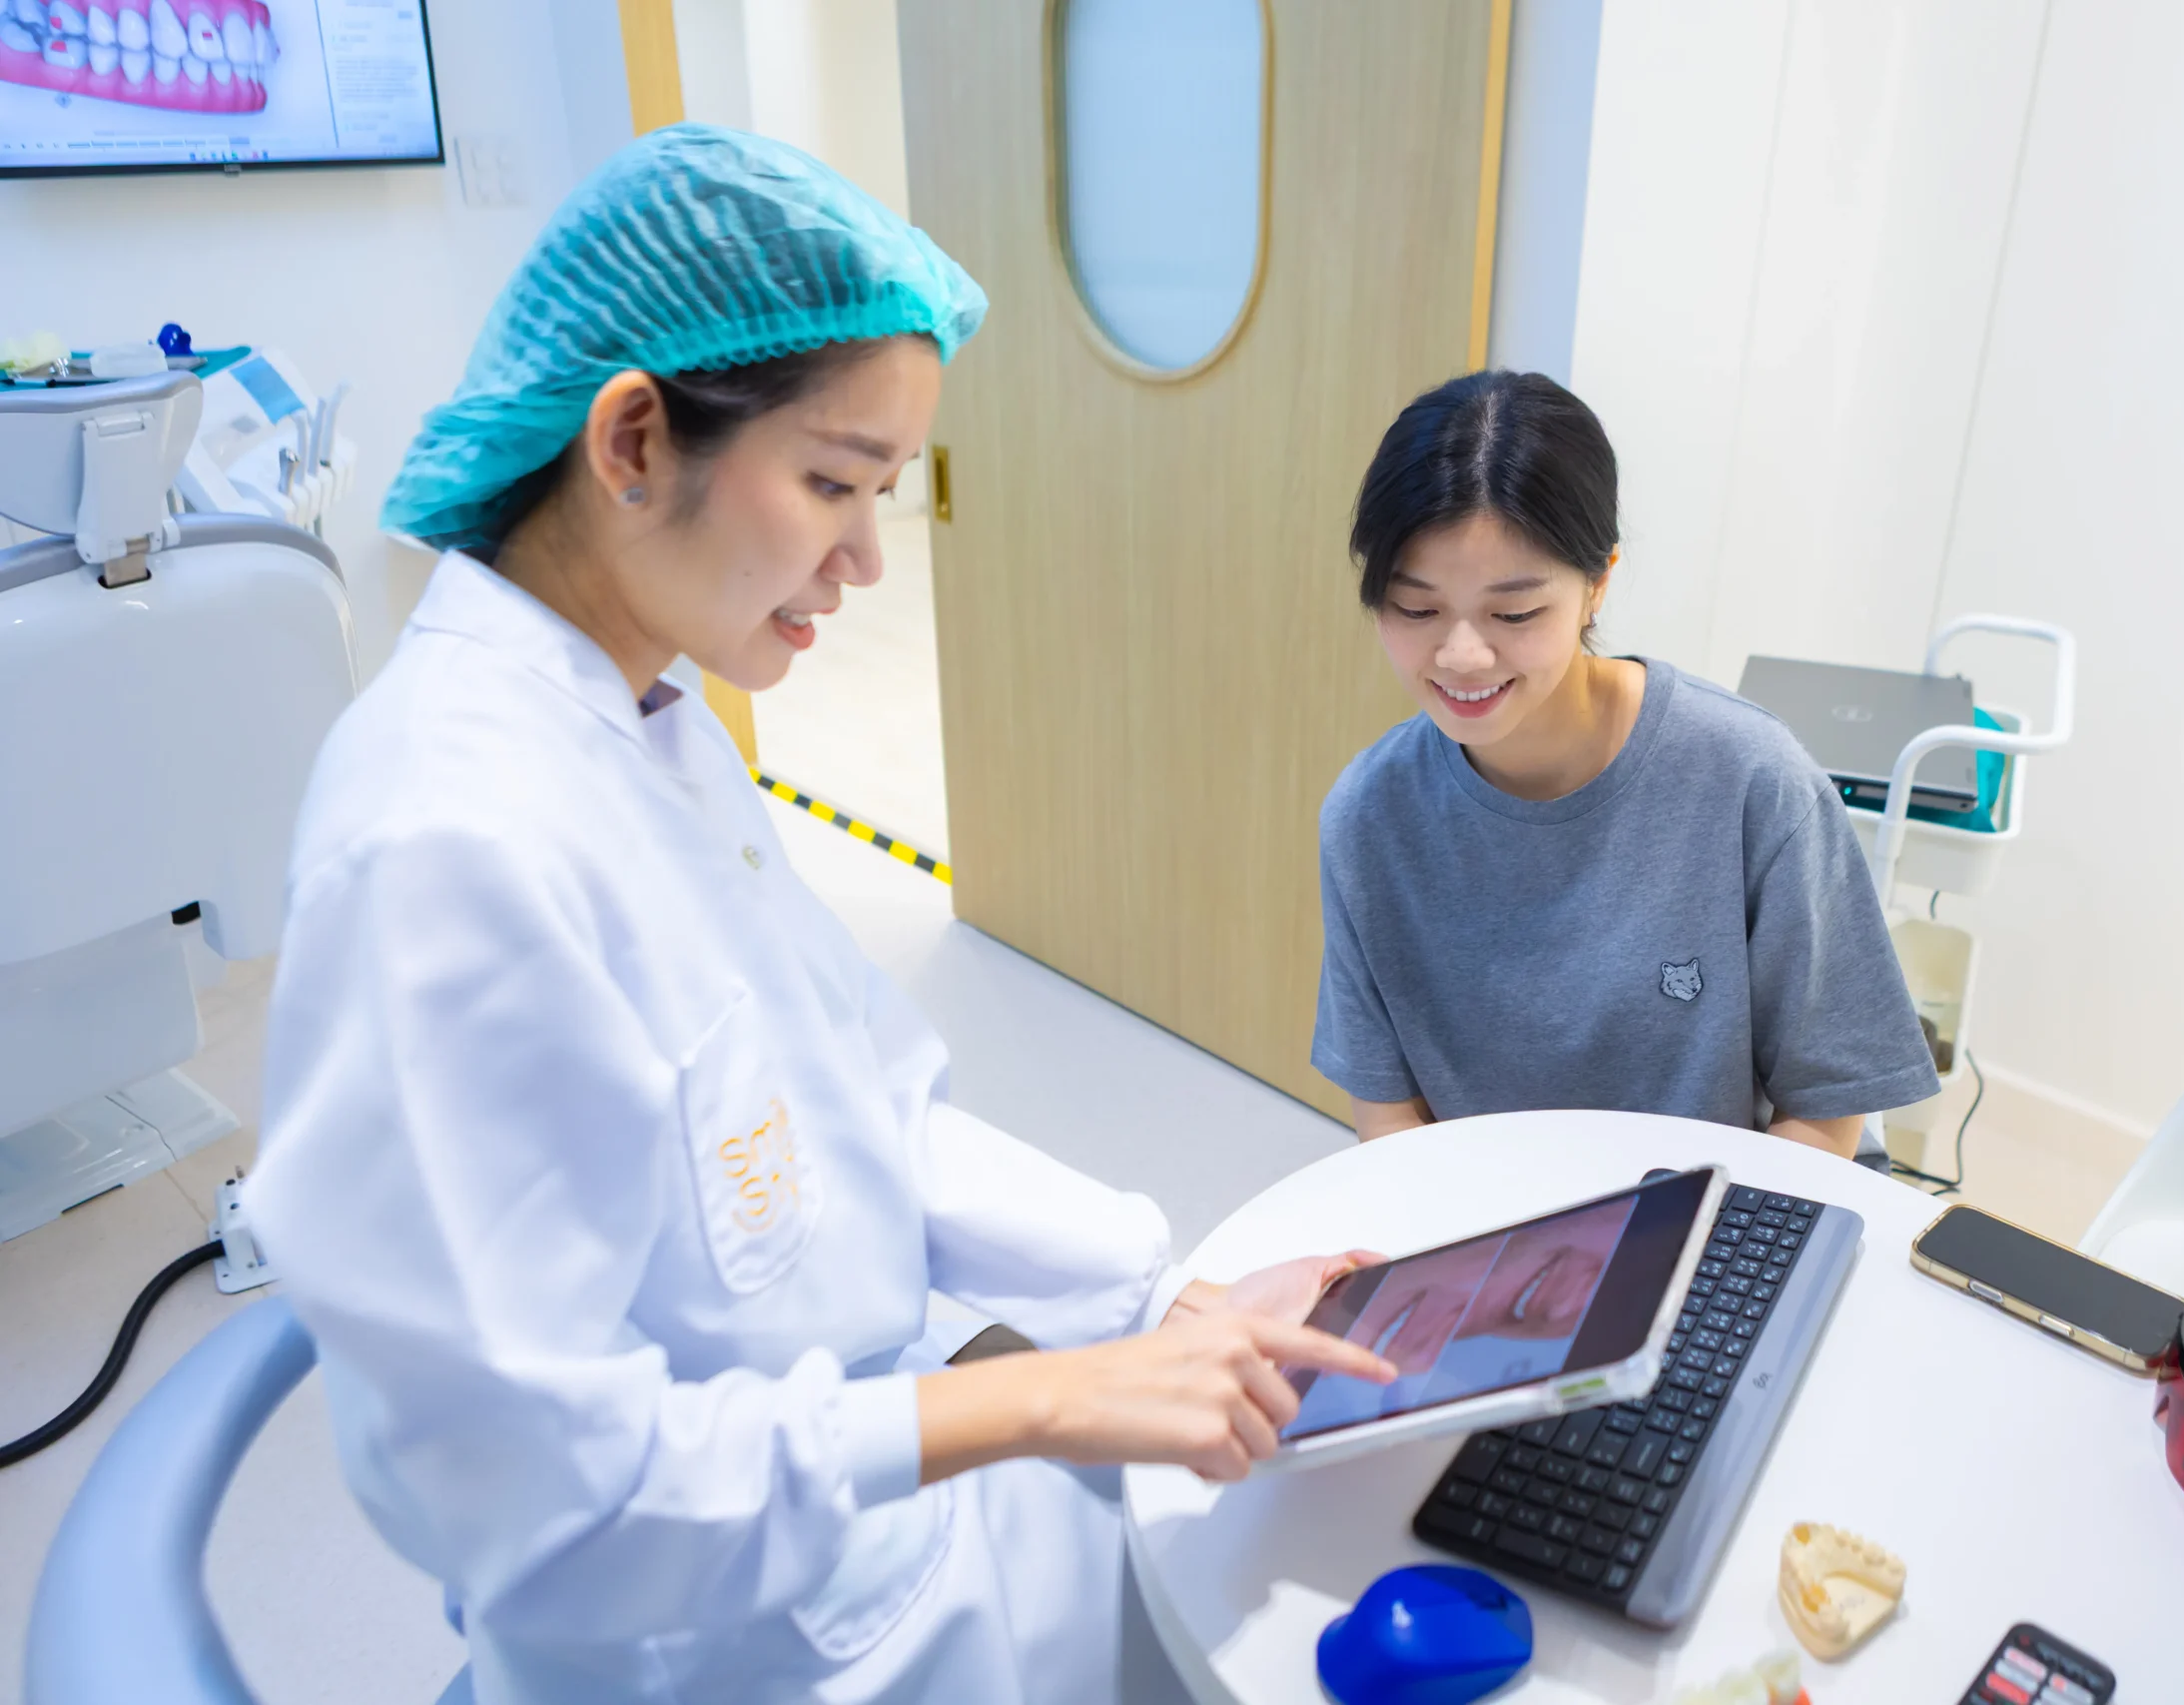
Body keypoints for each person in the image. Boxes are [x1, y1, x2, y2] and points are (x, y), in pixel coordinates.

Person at [243, 125, 1390, 1705]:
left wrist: (1160, 1302)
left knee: (1309, 1547)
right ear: (633, 440)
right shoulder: (444, 844)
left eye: (883, 493)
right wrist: (1054, 1397)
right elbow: (549, 1508)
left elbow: (868, 1109)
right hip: (725, 1635)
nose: (863, 557)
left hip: (872, 1494)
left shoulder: (648, 721)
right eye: (833, 483)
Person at [1311, 370, 1941, 1163]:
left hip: (1740, 1209)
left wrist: (1710, 1243)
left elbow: (1826, 1107)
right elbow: (1391, 1129)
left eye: (1514, 612)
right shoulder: (1369, 816)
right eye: (1417, 608)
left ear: (1598, 583)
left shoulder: (1751, 780)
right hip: (1503, 1219)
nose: (1462, 654)